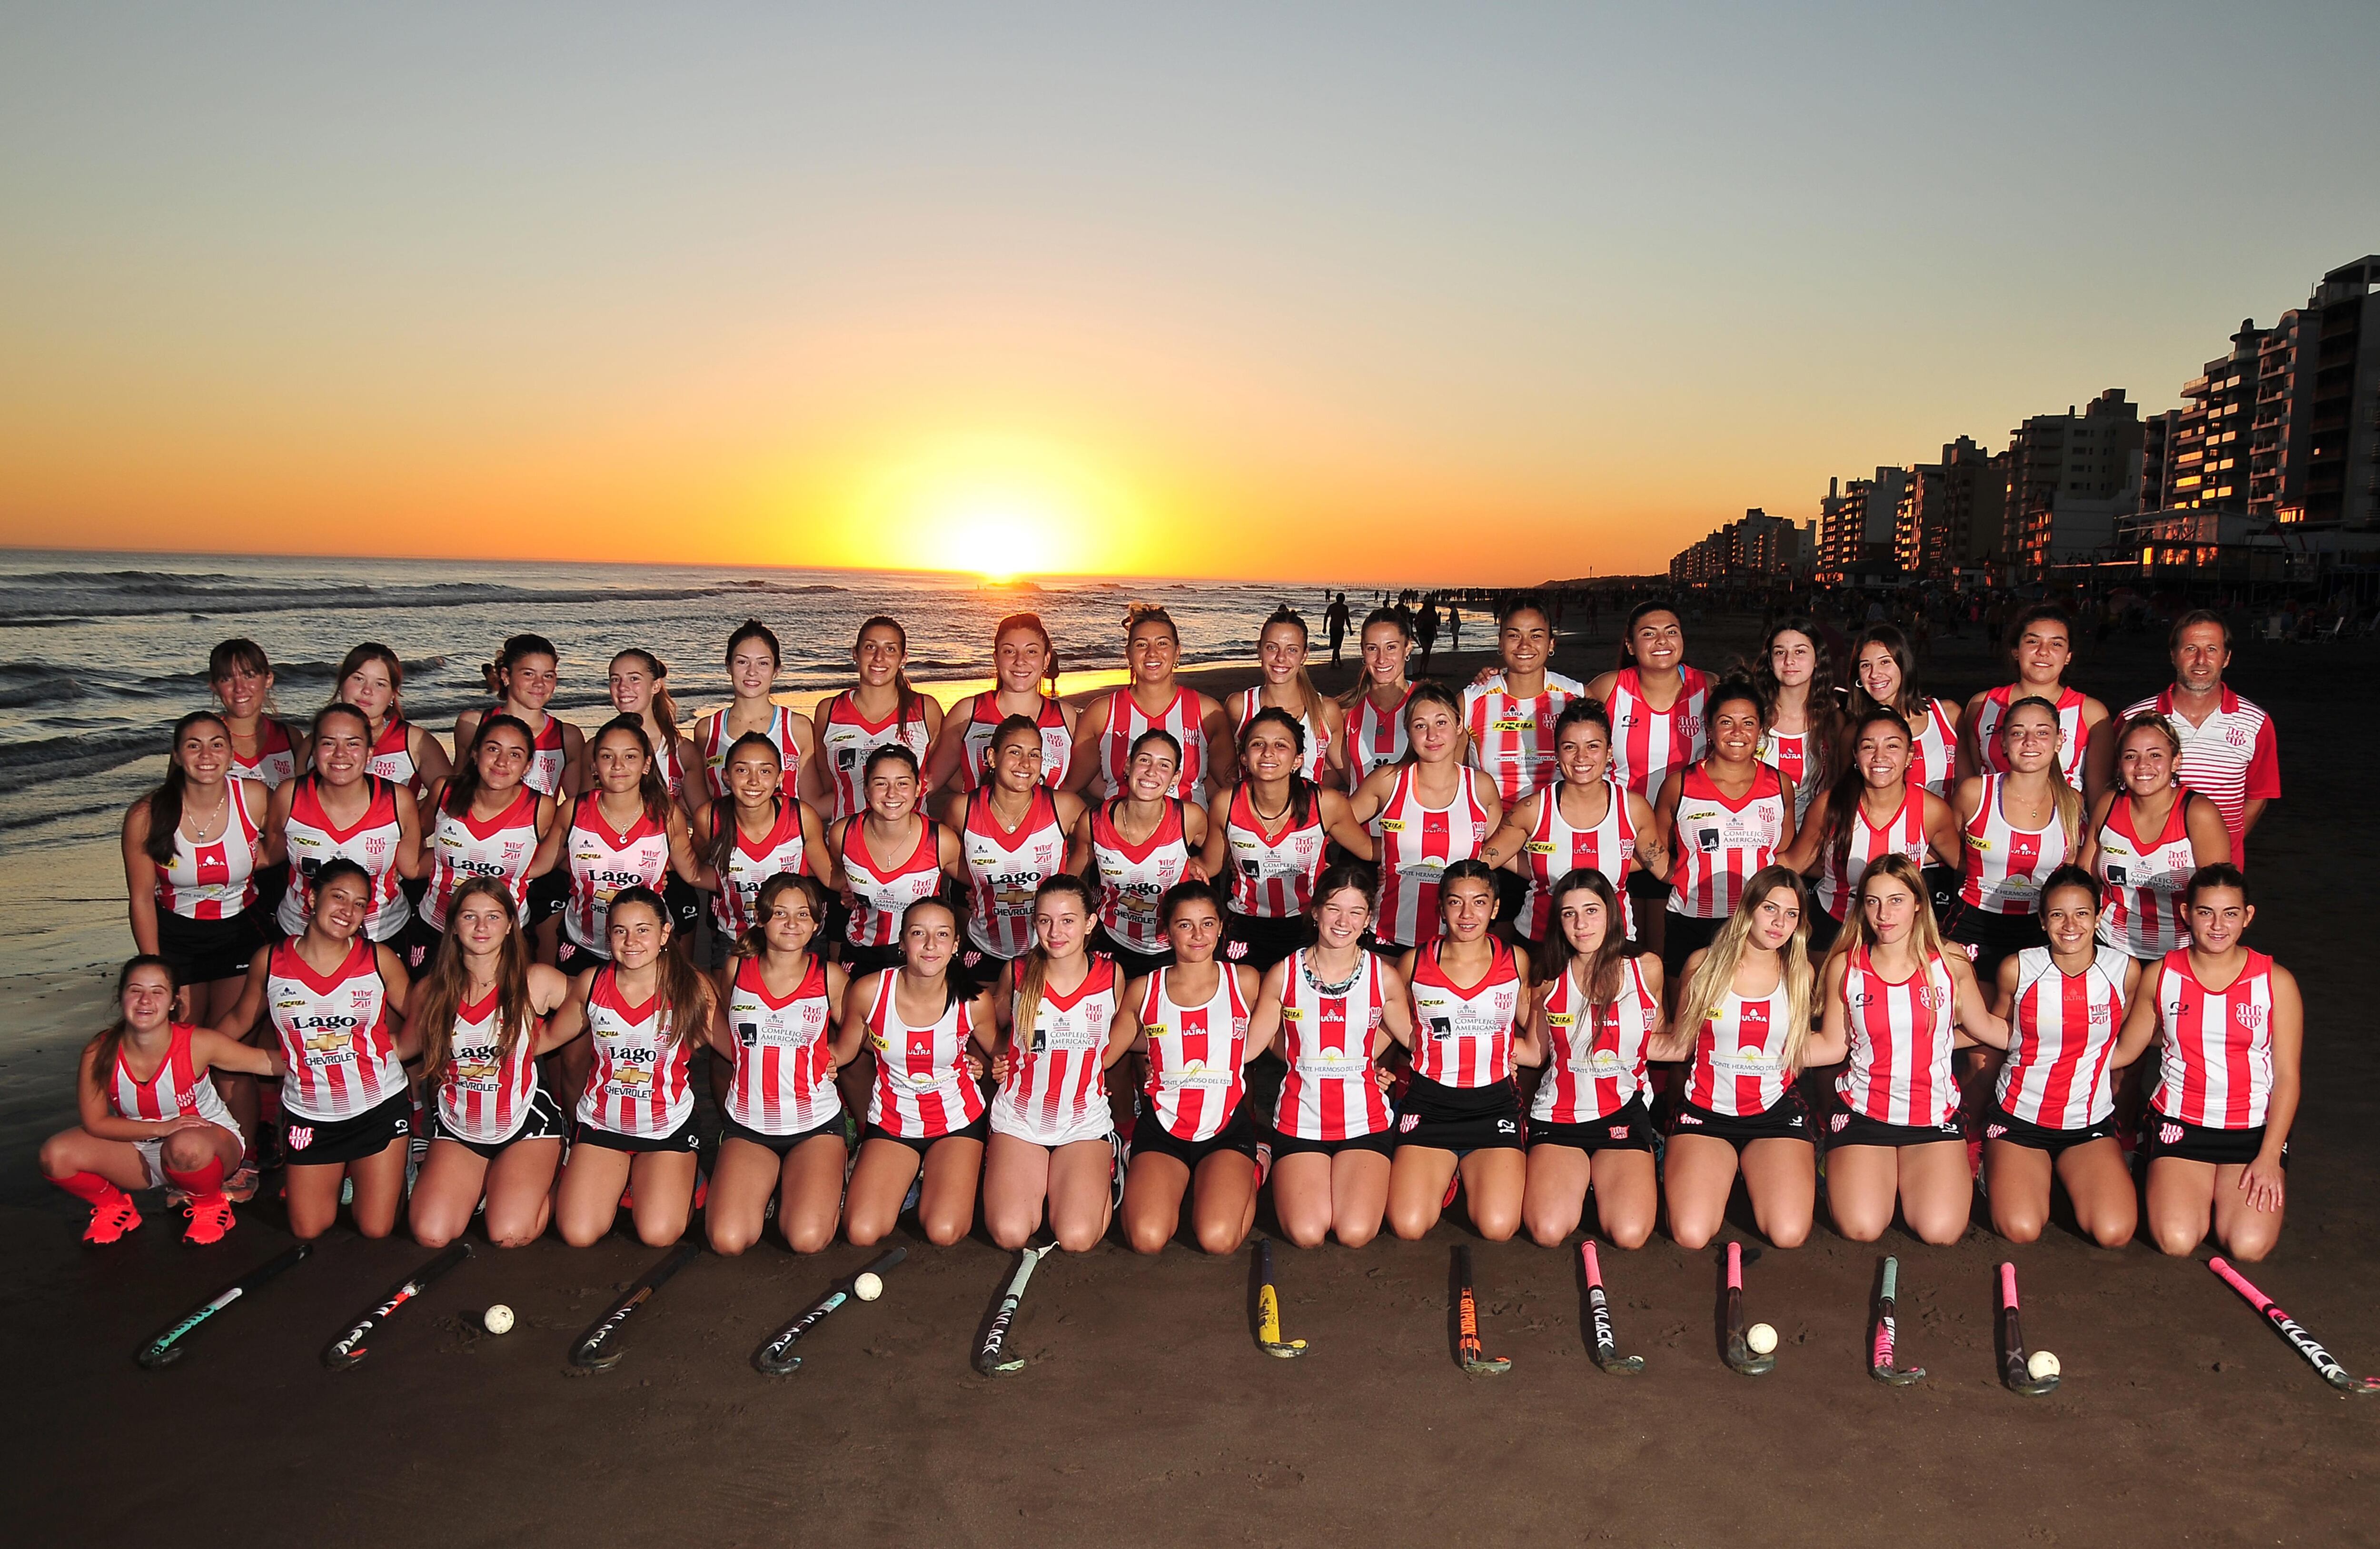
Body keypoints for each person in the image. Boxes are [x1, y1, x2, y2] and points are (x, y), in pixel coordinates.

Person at [217, 860, 415, 1240]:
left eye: (359, 904)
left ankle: (392, 1167)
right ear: (311, 897)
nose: (348, 911)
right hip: (310, 1113)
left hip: (378, 1107)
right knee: (309, 1229)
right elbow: (239, 1022)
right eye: (338, 897)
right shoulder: (271, 962)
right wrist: (190, 1053)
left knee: (376, 1229)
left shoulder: (378, 959)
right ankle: (343, 1175)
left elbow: (424, 1016)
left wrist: (398, 1050)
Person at [1818, 855, 2006, 1245]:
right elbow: (1831, 1046)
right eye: (1872, 902)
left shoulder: (1950, 962)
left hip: (1932, 1115)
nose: (1883, 914)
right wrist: (1753, 1045)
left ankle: (1913, 1174)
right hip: (1865, 1113)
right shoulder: (1845, 967)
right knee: (1861, 1228)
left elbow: (1984, 1028)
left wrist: (2072, 1036)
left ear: (1919, 902)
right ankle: (1836, 1162)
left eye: (1896, 901)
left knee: (1941, 1232)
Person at [2124, 865, 2300, 1262]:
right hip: (2180, 1125)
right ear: (2187, 913)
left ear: (2248, 916)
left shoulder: (2277, 982)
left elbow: (2288, 1078)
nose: (2218, 925)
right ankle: (2146, 1157)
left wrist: (2270, 1156)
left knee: (2248, 1247)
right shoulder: (2161, 974)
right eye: (2206, 912)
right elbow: (2124, 1052)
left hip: (2252, 1132)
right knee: (2177, 1240)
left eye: (2230, 913)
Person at [40, 956, 279, 1245]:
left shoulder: (196, 1043)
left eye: (157, 992)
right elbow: (95, 1123)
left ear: (174, 1002)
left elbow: (265, 1063)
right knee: (55, 1155)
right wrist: (162, 1129)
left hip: (206, 1148)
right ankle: (115, 1208)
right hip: (141, 1146)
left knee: (185, 1146)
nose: (145, 1001)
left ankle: (211, 1206)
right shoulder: (98, 1052)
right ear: (120, 995)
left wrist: (331, 1048)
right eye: (135, 990)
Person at [1975, 868, 2144, 1248]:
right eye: (2057, 915)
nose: (2070, 925)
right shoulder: (2019, 968)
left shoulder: (2124, 971)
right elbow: (2004, 1032)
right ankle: (1999, 1166)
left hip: (2088, 1124)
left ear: (2099, 916)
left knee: (2114, 1233)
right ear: (2042, 920)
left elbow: (2121, 1043)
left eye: (2082, 913)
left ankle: (2074, 1176)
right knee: (2021, 1229)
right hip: (2020, 1119)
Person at [1249, 864, 1414, 1248]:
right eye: (1334, 908)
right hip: (1300, 1121)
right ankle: (1265, 1154)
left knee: (1355, 1233)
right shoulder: (1283, 974)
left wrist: (1365, 1058)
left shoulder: (1383, 975)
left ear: (1368, 919)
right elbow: (1248, 1048)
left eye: (1356, 912)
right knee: (1307, 1234)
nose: (1344, 921)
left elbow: (1416, 1039)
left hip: (1364, 1121)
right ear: (1316, 911)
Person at [406, 876, 574, 1249]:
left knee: (509, 1234)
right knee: (431, 1233)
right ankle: (488, 1182)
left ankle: (561, 1178)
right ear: (453, 926)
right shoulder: (431, 991)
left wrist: (546, 1040)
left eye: (494, 917)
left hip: (524, 1125)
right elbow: (401, 1049)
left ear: (511, 924)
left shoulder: (536, 981)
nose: (482, 927)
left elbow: (599, 1003)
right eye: (469, 917)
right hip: (459, 1127)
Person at [1662, 868, 1823, 1250]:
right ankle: (1706, 1168)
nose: (1779, 922)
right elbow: (1681, 1044)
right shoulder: (1704, 964)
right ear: (1748, 909)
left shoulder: (1801, 973)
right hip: (1706, 1112)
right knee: (1691, 1234)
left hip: (1774, 1115)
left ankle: (1758, 1172)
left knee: (1788, 1234)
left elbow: (1805, 1050)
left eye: (1791, 914)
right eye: (1770, 909)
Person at [547, 887, 712, 1247]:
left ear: (665, 933)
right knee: (578, 1233)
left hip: (665, 1128)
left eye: (643, 929)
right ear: (610, 936)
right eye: (621, 931)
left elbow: (736, 1049)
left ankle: (688, 1177)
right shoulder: (591, 983)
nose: (631, 941)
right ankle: (621, 1179)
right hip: (603, 1124)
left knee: (659, 1234)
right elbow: (545, 1040)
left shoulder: (691, 986)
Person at [1517, 869, 1667, 1249]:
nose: (1581, 924)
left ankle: (1613, 1172)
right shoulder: (1547, 977)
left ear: (1612, 913)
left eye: (1591, 911)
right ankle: (1576, 1178)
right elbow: (1535, 1054)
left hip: (1623, 1112)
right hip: (1559, 1115)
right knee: (1548, 1230)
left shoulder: (1645, 968)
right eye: (1569, 914)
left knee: (1630, 1235)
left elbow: (1659, 1038)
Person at [835, 897, 997, 1248]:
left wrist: (982, 1061)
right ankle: (905, 1177)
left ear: (956, 946)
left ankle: (933, 1176)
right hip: (893, 1121)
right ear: (902, 942)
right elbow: (843, 1053)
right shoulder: (869, 992)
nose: (929, 945)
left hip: (957, 1121)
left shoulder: (974, 1001)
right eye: (918, 933)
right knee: (861, 1232)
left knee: (944, 1231)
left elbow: (1002, 1052)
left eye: (942, 935)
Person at [703, 874, 850, 1256]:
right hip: (749, 1125)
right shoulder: (737, 968)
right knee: (727, 1240)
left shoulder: (829, 976)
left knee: (807, 1238)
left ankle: (823, 1181)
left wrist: (837, 1056)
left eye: (803, 914)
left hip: (814, 1125)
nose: (791, 924)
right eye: (780, 913)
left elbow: (865, 1031)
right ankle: (767, 1185)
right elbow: (727, 1030)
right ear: (762, 918)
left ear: (817, 923)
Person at [982, 877, 1131, 1253]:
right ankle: (1033, 1182)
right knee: (1010, 1232)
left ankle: (1104, 1170)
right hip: (1020, 1120)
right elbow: (988, 1028)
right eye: (1045, 921)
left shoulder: (1111, 976)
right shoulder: (1017, 973)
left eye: (1068, 920)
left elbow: (1119, 1037)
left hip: (1082, 1123)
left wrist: (1094, 1070)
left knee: (1076, 1237)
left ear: (1090, 923)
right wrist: (995, 1060)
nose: (1055, 931)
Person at [1115, 883, 1265, 1254]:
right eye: (1185, 925)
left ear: (1221, 928)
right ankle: (1147, 1165)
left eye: (1207, 923)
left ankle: (1257, 1162)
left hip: (1226, 1129)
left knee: (1218, 1240)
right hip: (1164, 1129)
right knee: (1146, 1239)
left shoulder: (1245, 981)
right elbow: (1102, 1054)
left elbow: (1290, 1035)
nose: (1198, 935)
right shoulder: (1143, 989)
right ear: (1167, 931)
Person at [1385, 861, 1529, 1241]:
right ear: (1441, 907)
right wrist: (1370, 1068)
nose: (1467, 914)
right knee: (1408, 1226)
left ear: (1496, 908)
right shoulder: (1414, 962)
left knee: (1498, 1228)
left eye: (1480, 902)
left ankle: (1477, 1173)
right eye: (1456, 902)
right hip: (1430, 1105)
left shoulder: (1515, 961)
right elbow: (1381, 1024)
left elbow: (1544, 1029)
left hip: (1494, 1104)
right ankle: (1444, 1178)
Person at [122, 711, 278, 1031]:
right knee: (182, 1038)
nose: (207, 756)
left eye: (217, 745)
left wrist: (243, 861)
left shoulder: (254, 798)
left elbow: (283, 847)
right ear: (177, 756)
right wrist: (156, 970)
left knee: (229, 1044)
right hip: (175, 939)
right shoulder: (146, 815)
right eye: (194, 746)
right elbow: (140, 899)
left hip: (241, 931)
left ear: (232, 754)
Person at [1481, 699, 1667, 945]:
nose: (1582, 757)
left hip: (1612, 944)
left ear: (1610, 751)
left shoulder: (1633, 808)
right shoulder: (1532, 809)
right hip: (1541, 942)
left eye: (1593, 746)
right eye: (1570, 747)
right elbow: (1488, 859)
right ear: (1557, 753)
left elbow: (1659, 865)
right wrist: (1539, 867)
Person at [1781, 708, 1962, 958]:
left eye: (1892, 747)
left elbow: (1965, 863)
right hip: (1832, 929)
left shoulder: (1931, 810)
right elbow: (1793, 862)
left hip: (1900, 937)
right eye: (1868, 747)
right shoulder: (1830, 805)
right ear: (1856, 755)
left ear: (1910, 755)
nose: (1880, 757)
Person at [1202, 709, 1372, 971]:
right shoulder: (1226, 803)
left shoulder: (1325, 804)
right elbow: (1210, 866)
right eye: (1258, 744)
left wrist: (1422, 846)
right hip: (1245, 926)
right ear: (1244, 758)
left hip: (1307, 926)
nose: (1269, 753)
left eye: (1281, 745)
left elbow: (1368, 849)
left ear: (1297, 759)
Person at [1586, 600, 1710, 959]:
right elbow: (1562, 726)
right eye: (1649, 633)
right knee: (1621, 949)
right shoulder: (1610, 688)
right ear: (1629, 645)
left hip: (1684, 841)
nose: (1662, 641)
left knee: (1670, 953)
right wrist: (1495, 678)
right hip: (1622, 836)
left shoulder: (1708, 687)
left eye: (1671, 631)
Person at [1346, 682, 1500, 954]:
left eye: (1441, 722)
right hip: (1389, 937)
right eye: (1420, 726)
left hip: (1458, 945)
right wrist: (1376, 851)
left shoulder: (1480, 786)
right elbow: (1337, 823)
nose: (1432, 735)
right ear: (1408, 732)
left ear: (1459, 724)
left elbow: (1503, 850)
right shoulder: (1388, 781)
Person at [1654, 680, 1793, 979]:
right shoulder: (1679, 785)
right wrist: (1676, 876)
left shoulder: (1780, 785)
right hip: (1691, 920)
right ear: (1710, 728)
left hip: (1758, 924)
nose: (1738, 733)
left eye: (1748, 723)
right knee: (1687, 1014)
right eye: (1726, 723)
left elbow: (1782, 852)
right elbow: (1658, 845)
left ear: (1761, 729)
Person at [2117, 610, 2279, 865]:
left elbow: (2259, 795)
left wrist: (2219, 842)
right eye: (2191, 649)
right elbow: (2115, 790)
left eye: (2212, 649)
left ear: (2226, 658)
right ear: (2173, 655)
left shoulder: (2256, 722)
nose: (2201, 660)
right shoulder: (2133, 719)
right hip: (2145, 866)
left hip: (2219, 872)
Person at [554, 718, 709, 975]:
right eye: (607, 756)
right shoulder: (573, 811)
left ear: (647, 764)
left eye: (630, 756)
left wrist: (752, 876)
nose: (618, 766)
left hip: (646, 947)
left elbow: (693, 873)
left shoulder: (666, 815)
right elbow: (537, 864)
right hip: (584, 944)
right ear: (594, 764)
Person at [270, 701, 425, 949]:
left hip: (383, 934)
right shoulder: (290, 796)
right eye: (328, 743)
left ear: (370, 752)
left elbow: (412, 867)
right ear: (314, 750)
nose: (340, 753)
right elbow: (270, 853)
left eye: (353, 744)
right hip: (299, 932)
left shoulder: (398, 800)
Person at [2078, 713, 2231, 961]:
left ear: (2176, 761)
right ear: (2120, 764)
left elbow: (2220, 897)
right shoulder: (2109, 804)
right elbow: (2084, 879)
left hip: (2180, 953)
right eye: (2131, 756)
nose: (2142, 765)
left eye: (2155, 755)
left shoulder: (2198, 813)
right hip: (2108, 947)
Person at [1948, 696, 2079, 984]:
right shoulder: (1974, 793)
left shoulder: (2073, 803)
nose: (2030, 741)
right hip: (1974, 924)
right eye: (2018, 733)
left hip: (2039, 929)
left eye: (2042, 733)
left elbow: (2070, 871)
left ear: (2059, 741)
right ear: (2004, 744)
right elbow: (1947, 849)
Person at [417, 714, 562, 966]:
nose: (502, 762)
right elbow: (411, 831)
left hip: (506, 936)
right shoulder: (445, 791)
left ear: (528, 766)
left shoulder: (541, 808)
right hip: (438, 928)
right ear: (475, 753)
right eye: (493, 749)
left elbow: (557, 851)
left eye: (515, 754)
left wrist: (525, 871)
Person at [950, 717, 1086, 986]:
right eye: (1015, 752)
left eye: (1034, 755)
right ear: (992, 757)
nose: (1025, 764)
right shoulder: (962, 810)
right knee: (985, 1025)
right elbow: (940, 860)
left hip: (1050, 951)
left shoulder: (1064, 807)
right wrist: (978, 885)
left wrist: (1065, 883)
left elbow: (1103, 843)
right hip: (985, 949)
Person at [1067, 603, 1235, 804]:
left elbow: (1226, 781)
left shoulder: (1208, 712)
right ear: (1128, 653)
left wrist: (1192, 800)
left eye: (1162, 644)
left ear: (1177, 652)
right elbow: (1078, 780)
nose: (1152, 653)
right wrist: (1118, 796)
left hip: (1188, 834)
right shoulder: (1101, 712)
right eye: (1141, 644)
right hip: (1120, 831)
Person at [1071, 728, 1208, 974]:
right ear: (1127, 765)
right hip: (1110, 941)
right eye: (1144, 760)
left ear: (1176, 778)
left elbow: (1217, 858)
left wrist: (1195, 865)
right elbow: (1070, 883)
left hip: (1172, 947)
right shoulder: (1093, 822)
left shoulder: (1191, 818)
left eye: (1164, 766)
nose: (1152, 772)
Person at [692, 733, 831, 967]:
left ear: (780, 777)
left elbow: (827, 873)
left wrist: (856, 887)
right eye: (742, 770)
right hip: (735, 938)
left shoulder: (801, 817)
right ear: (726, 776)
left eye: (765, 771)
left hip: (798, 939)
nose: (754, 781)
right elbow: (695, 866)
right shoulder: (710, 818)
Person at [924, 612, 1075, 821]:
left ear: (1046, 659)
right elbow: (933, 781)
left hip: (1047, 845)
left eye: (1031, 652)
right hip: (979, 842)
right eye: (1009, 651)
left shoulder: (1067, 717)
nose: (1020, 661)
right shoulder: (967, 713)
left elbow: (1088, 783)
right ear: (996, 658)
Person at [832, 745, 962, 976]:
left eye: (903, 783)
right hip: (861, 955)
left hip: (923, 959)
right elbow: (837, 877)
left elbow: (977, 883)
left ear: (918, 788)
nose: (892, 793)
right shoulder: (843, 834)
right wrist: (849, 890)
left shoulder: (942, 840)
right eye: (881, 783)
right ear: (867, 791)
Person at [1957, 604, 2109, 797]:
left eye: (2056, 644)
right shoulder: (1983, 705)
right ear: (2016, 650)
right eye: (2032, 642)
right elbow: (1971, 785)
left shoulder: (2092, 713)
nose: (2043, 651)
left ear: (2069, 656)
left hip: (2065, 824)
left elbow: (2099, 796)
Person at [814, 616, 943, 823]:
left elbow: (934, 779)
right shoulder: (829, 711)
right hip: (846, 843)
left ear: (904, 659)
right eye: (870, 647)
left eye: (890, 649)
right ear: (855, 654)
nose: (879, 657)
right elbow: (828, 780)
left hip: (914, 843)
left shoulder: (925, 710)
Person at [1461, 593, 1584, 810]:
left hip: (1556, 831)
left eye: (1536, 636)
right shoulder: (1471, 701)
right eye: (1514, 636)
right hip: (1490, 832)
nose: (1525, 645)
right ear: (1500, 642)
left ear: (1551, 643)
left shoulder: (1575, 697)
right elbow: (1451, 775)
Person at [695, 619, 815, 801]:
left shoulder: (798, 727)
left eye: (763, 663)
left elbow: (811, 803)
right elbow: (705, 803)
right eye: (743, 662)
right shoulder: (707, 730)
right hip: (726, 830)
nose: (752, 672)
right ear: (728, 666)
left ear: (777, 670)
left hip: (788, 829)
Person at [454, 633, 584, 800]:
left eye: (548, 676)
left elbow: (578, 808)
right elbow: (454, 793)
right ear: (506, 676)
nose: (540, 683)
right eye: (529, 674)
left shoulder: (567, 737)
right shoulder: (473, 725)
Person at [1225, 606, 1344, 787]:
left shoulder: (1325, 711)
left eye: (1292, 650)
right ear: (1259, 651)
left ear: (1305, 655)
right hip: (1251, 814)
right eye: (1272, 648)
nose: (1281, 658)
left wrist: (1310, 796)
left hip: (1309, 814)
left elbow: (1344, 772)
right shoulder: (1240, 706)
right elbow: (1226, 771)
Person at [1848, 624, 1960, 796]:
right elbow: (1847, 796)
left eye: (1885, 662)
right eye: (1865, 666)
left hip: (1946, 822)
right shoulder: (1853, 732)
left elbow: (1968, 782)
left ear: (1904, 665)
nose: (1875, 674)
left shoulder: (1948, 715)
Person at [333, 642, 451, 799]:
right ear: (342, 682)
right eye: (359, 679)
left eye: (380, 684)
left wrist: (414, 814)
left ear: (393, 694)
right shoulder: (316, 742)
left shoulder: (416, 743)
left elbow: (453, 802)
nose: (367, 690)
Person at [1752, 616, 1839, 827]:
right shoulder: (1752, 718)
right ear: (1770, 662)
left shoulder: (1836, 720)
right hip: (1755, 837)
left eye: (1800, 652)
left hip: (1815, 841)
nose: (1789, 660)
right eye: (1780, 652)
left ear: (1817, 658)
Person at [208, 638, 308, 790]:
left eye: (249, 676)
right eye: (227, 679)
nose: (239, 688)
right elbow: (172, 802)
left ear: (268, 679)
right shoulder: (202, 740)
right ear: (214, 686)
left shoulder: (290, 737)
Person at [1338, 608, 1415, 781]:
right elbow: (1332, 772)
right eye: (1373, 648)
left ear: (1408, 648)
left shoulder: (1428, 702)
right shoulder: (1346, 711)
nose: (1382, 659)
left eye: (1391, 648)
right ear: (1363, 651)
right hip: (1359, 808)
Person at [1324, 591, 1351, 667]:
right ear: (1344, 599)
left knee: (1337, 646)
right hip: (1339, 628)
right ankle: (1333, 663)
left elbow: (1326, 617)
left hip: (1332, 628)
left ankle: (1339, 662)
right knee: (1337, 647)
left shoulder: (1332, 607)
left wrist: (1325, 627)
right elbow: (1347, 619)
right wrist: (1350, 629)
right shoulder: (1344, 608)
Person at [1414, 598, 1440, 675]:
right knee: (1425, 650)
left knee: (1428, 652)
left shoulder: (1433, 613)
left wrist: (1439, 617)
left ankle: (1424, 669)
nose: (1429, 606)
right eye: (1428, 604)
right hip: (1423, 633)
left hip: (1430, 634)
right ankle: (1421, 668)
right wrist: (1419, 626)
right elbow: (1416, 622)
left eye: (1430, 604)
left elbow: (1437, 624)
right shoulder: (1422, 612)